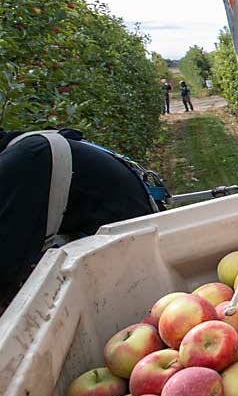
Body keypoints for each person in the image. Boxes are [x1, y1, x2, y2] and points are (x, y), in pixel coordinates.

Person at [0, 128, 161, 306]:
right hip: (139, 250)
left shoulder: (20, 163)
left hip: (134, 274)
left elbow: (5, 271)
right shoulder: (30, 146)